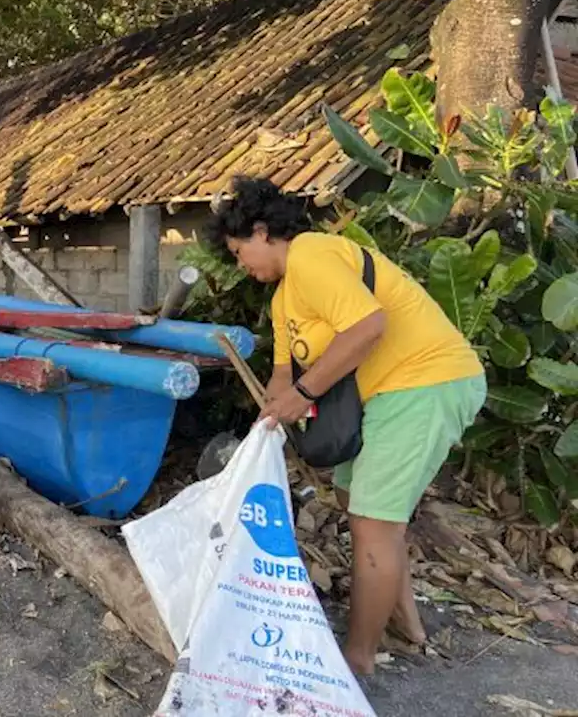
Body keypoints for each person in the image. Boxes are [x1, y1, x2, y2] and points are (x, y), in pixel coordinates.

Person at [206, 175, 485, 676]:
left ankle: (356, 662)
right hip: (387, 396)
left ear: (263, 231)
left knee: (372, 524)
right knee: (360, 507)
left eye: (238, 250)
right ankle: (409, 626)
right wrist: (266, 426)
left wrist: (305, 395)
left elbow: (367, 327)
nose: (240, 265)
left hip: (424, 381)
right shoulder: (282, 299)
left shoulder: (312, 254)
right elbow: (282, 376)